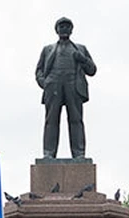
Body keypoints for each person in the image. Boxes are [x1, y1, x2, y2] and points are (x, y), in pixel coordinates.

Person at [35, 17, 97, 159]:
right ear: (56, 30)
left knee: (76, 120)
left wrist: (82, 58)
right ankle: (49, 153)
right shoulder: (48, 49)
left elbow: (92, 70)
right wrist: (45, 84)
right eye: (61, 26)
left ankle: (79, 154)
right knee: (51, 120)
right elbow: (39, 70)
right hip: (53, 85)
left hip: (74, 85)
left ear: (71, 30)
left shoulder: (81, 49)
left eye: (67, 26)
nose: (64, 29)